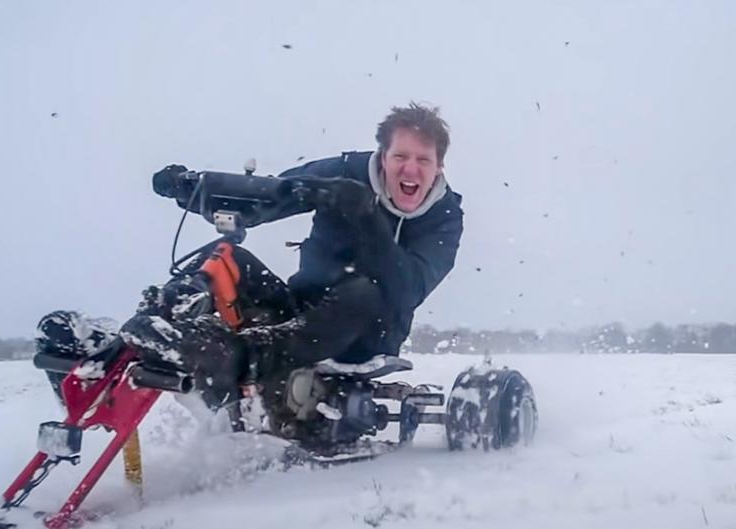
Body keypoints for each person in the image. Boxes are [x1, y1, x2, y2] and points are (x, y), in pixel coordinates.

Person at [40, 103, 463, 408]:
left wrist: (366, 215)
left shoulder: (444, 218)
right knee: (229, 256)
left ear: (438, 167)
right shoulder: (348, 172)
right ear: (383, 157)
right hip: (300, 310)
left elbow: (407, 288)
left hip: (367, 331)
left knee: (365, 292)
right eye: (400, 156)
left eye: (423, 160)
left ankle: (238, 357)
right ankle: (116, 352)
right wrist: (197, 189)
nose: (410, 169)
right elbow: (276, 194)